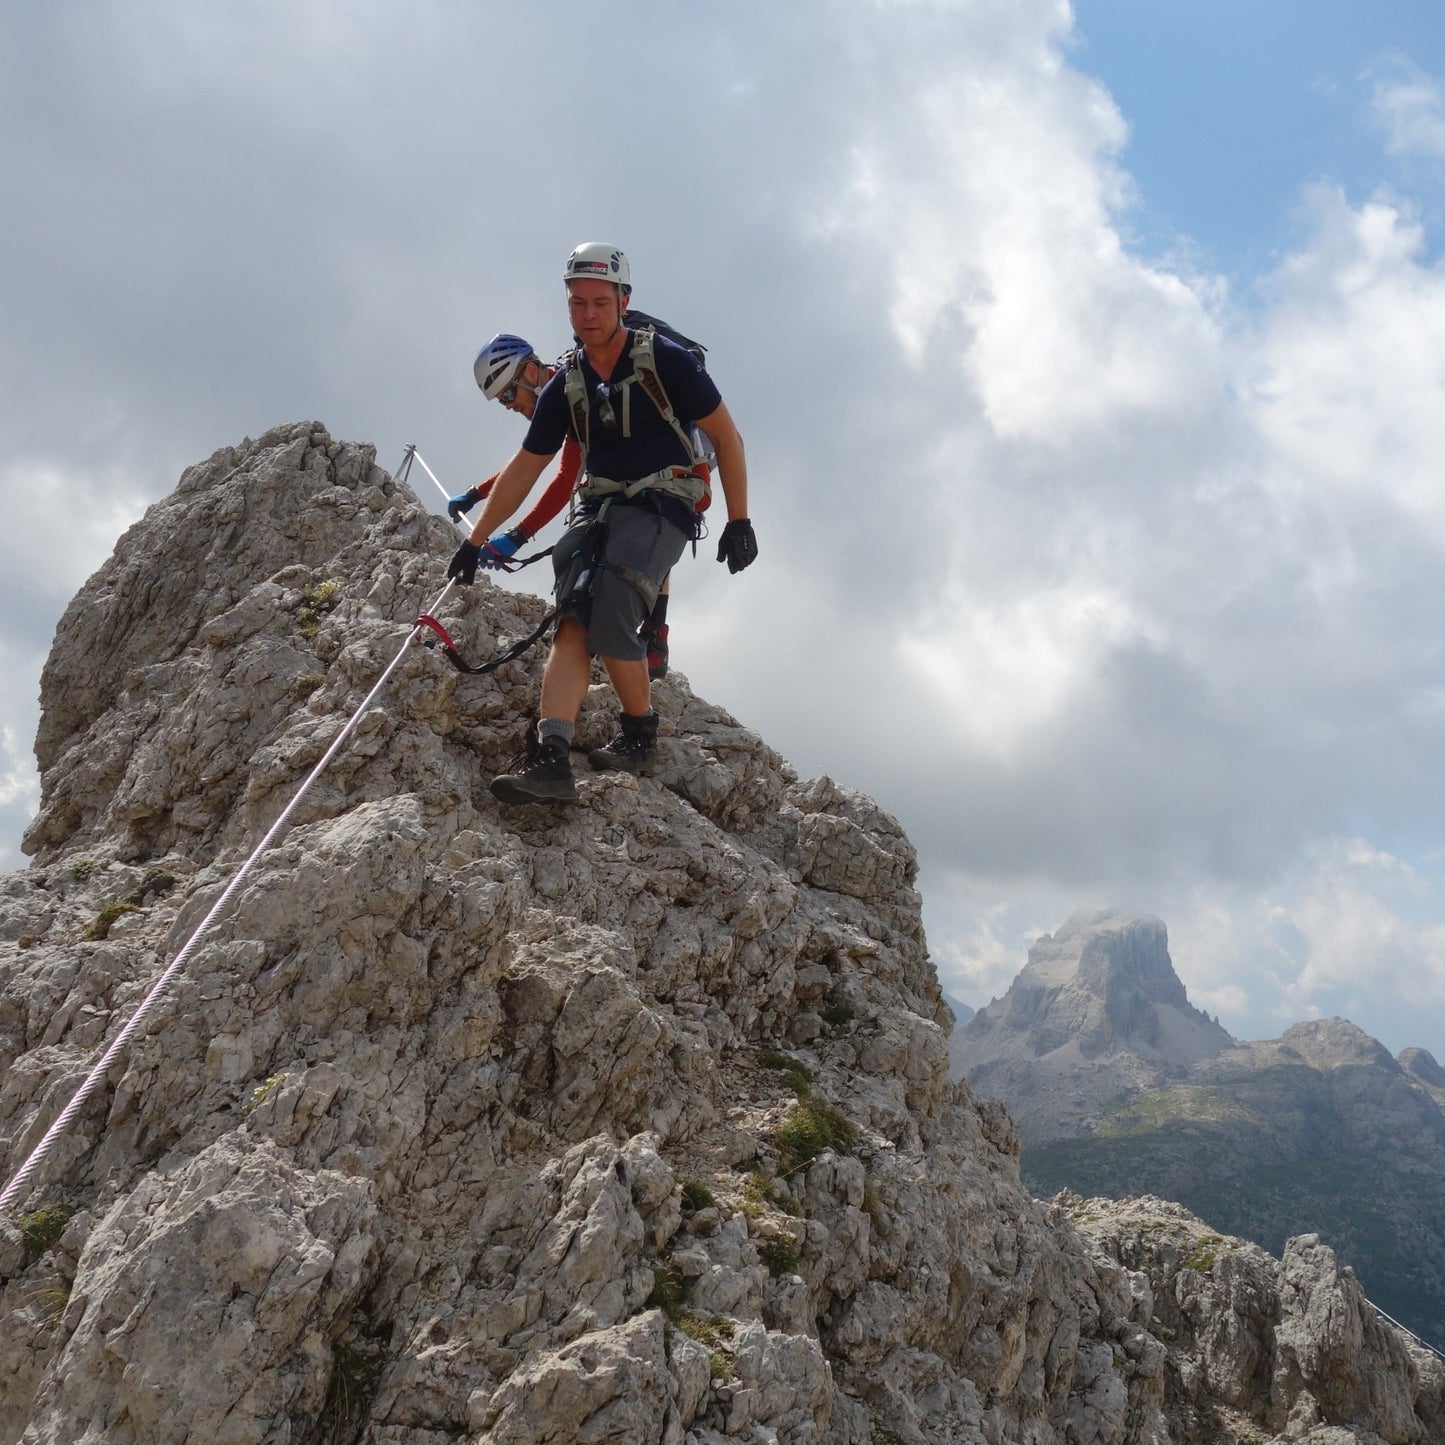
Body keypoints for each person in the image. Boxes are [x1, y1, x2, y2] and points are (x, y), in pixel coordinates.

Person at [448, 242, 757, 804]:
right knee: (572, 618)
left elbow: (727, 437)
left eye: (598, 302)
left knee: (613, 607)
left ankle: (640, 731)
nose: (588, 314)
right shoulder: (567, 385)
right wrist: (474, 541)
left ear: (622, 300)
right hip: (603, 504)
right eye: (577, 304)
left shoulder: (665, 360)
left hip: (666, 496)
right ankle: (550, 758)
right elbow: (525, 469)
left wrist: (740, 519)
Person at [448, 332, 676, 678]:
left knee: (654, 516)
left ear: (529, 372)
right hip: (648, 457)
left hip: (679, 454)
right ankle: (647, 630)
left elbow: (565, 476)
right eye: (501, 401)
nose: (509, 405)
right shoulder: (562, 392)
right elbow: (527, 463)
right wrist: (476, 493)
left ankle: (656, 634)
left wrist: (518, 535)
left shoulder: (573, 390)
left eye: (508, 393)